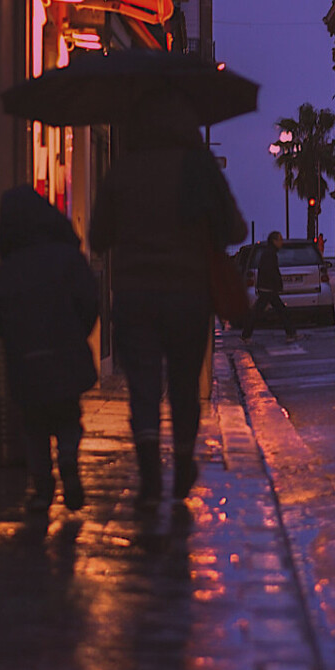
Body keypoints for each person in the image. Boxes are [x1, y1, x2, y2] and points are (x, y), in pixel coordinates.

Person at [89, 89, 246, 508]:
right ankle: (181, 459)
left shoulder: (123, 169)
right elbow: (235, 230)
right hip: (188, 294)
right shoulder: (198, 167)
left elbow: (98, 235)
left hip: (134, 294)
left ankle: (148, 471)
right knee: (182, 383)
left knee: (142, 385)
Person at [0, 186, 99, 512]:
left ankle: (41, 484)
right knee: (67, 416)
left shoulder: (9, 268)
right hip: (65, 353)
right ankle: (67, 459)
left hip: (26, 360)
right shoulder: (67, 258)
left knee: (33, 424)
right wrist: (77, 333)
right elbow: (89, 302)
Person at [240, 230, 298, 343]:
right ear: (274, 241)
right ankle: (291, 333)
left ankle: (246, 335)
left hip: (267, 288)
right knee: (280, 311)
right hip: (268, 288)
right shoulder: (270, 254)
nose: (282, 242)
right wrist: (276, 284)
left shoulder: (269, 252)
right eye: (280, 239)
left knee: (266, 311)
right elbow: (271, 271)